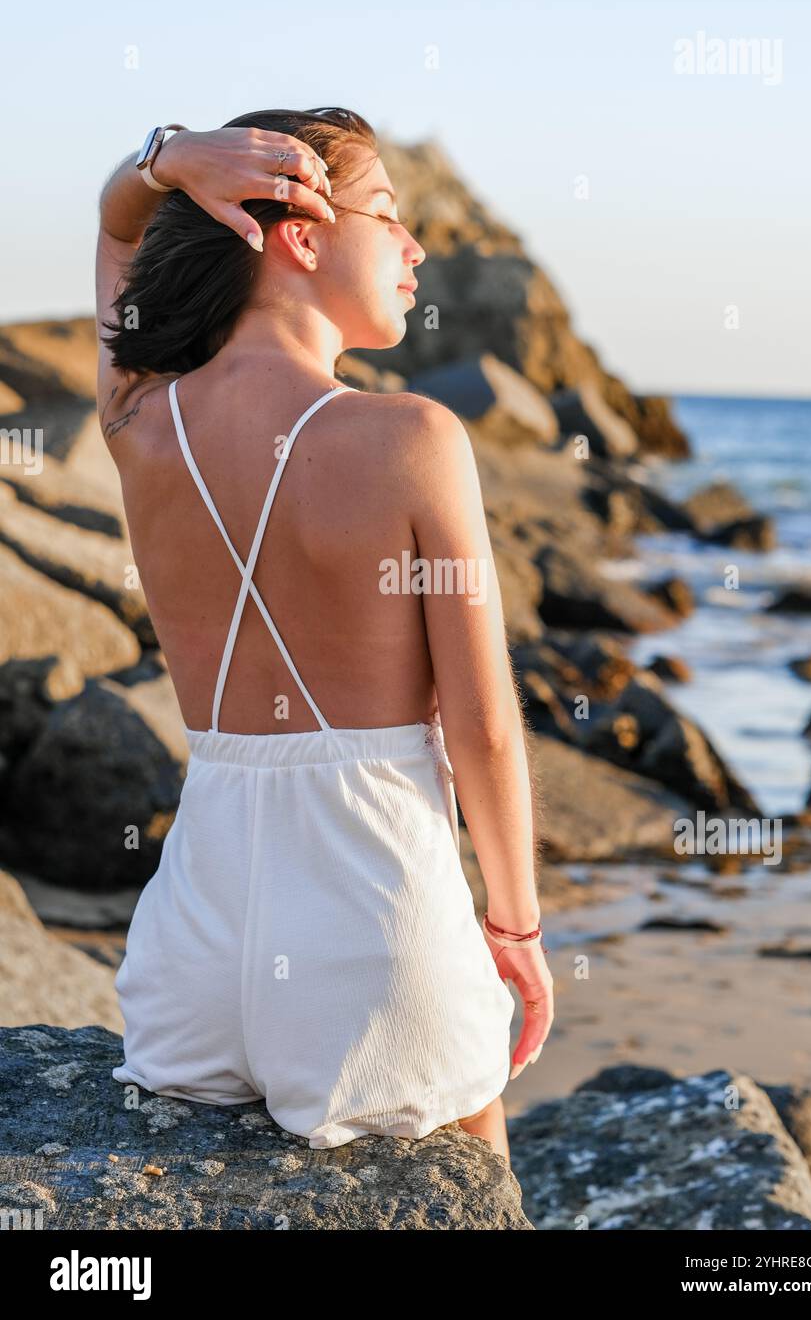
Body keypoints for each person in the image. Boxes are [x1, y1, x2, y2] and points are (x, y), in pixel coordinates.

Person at [96, 107, 553, 1165]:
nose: (414, 247)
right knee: (473, 1195)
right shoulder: (412, 439)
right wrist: (517, 933)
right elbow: (482, 726)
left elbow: (121, 234)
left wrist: (167, 160)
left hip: (190, 958)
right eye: (388, 214)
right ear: (299, 235)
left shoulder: (135, 419)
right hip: (374, 937)